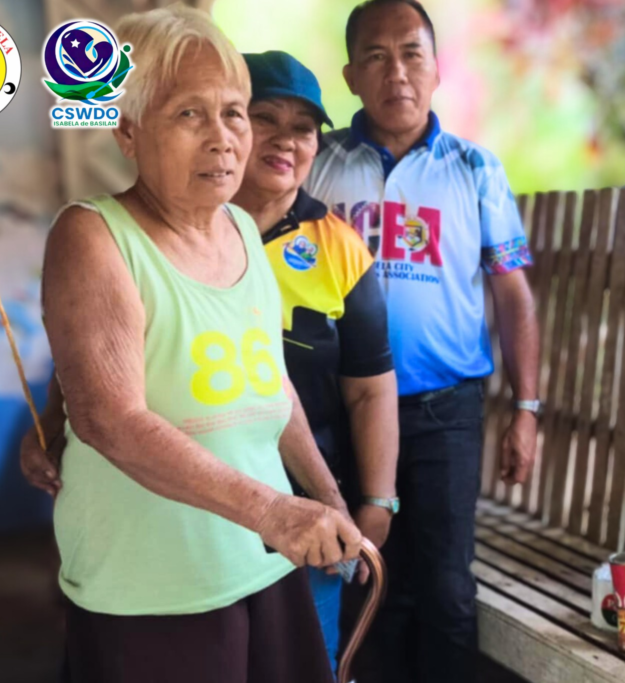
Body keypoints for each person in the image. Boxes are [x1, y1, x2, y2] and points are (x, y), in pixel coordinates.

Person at [29, 7, 360, 682]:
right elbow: (110, 418)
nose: (223, 139)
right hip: (152, 584)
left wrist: (327, 498)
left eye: (234, 113)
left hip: (259, 561)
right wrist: (275, 511)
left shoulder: (240, 229)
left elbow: (270, 383)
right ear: (127, 131)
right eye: (188, 114)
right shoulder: (93, 236)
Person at [305, 2, 541, 682]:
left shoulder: (474, 168)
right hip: (345, 410)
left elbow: (514, 294)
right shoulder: (317, 165)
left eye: (412, 54)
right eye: (376, 57)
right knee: (363, 573)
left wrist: (527, 409)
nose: (397, 73)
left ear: (437, 69)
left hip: (445, 411)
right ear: (351, 76)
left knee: (445, 587)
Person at [236, 50, 399, 675]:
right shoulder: (183, 229)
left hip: (309, 496)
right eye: (265, 118)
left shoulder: (338, 247)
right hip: (199, 496)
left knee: (306, 659)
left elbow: (370, 388)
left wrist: (377, 502)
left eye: (303, 128)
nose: (286, 139)